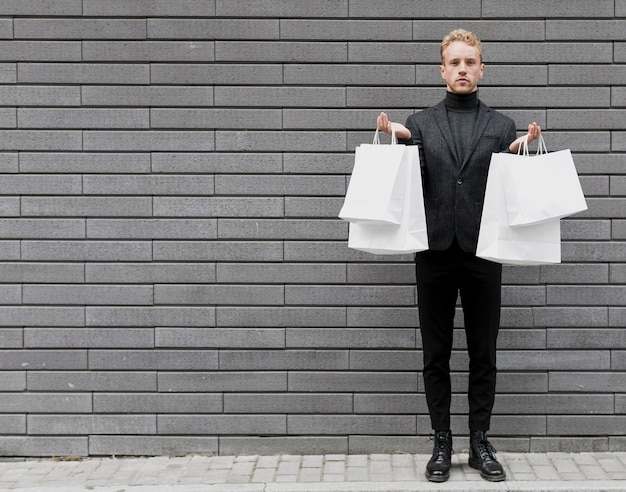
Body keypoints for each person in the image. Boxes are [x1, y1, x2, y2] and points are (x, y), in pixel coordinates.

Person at [376, 29, 541, 483]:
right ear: (443, 69)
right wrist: (401, 138)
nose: (463, 69)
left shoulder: (500, 125)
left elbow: (506, 181)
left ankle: (481, 439)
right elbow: (413, 172)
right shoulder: (421, 122)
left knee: (483, 351)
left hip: (484, 251)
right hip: (435, 252)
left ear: (481, 69)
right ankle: (442, 441)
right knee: (437, 352)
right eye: (455, 63)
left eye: (471, 62)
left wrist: (518, 152)